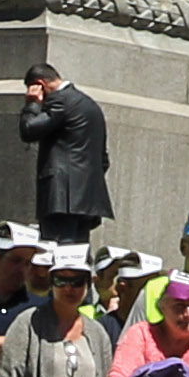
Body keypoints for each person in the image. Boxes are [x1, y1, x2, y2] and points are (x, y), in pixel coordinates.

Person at [17, 68, 110, 247]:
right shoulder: (89, 104)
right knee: (76, 256)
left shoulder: (60, 100)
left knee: (56, 253)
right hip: (86, 198)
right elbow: (103, 159)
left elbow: (28, 130)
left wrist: (32, 104)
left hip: (61, 196)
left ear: (40, 85)